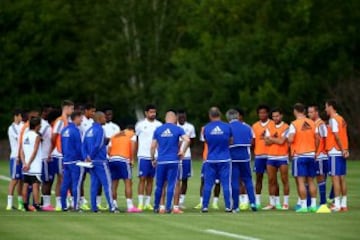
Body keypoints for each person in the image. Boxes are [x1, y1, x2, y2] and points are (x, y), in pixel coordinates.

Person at [151, 110, 190, 214]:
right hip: (174, 160)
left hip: (161, 161)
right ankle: (172, 207)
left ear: (165, 118)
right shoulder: (178, 129)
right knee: (173, 184)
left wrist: (152, 158)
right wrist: (182, 151)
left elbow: (152, 146)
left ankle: (161, 207)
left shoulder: (158, 129)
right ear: (175, 119)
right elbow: (187, 140)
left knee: (160, 185)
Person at [82, 111, 117, 213]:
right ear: (99, 118)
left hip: (91, 162)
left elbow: (83, 145)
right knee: (107, 184)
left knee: (94, 184)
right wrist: (91, 156)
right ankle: (112, 207)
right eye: (104, 118)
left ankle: (94, 207)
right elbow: (99, 144)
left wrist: (86, 157)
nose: (105, 119)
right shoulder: (100, 129)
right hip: (100, 161)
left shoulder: (88, 130)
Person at [202, 107, 233, 213]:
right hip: (224, 158)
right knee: (226, 183)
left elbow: (206, 141)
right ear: (220, 114)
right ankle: (228, 206)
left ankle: (205, 206)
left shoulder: (206, 128)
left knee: (208, 184)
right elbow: (231, 141)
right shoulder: (227, 127)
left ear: (210, 116)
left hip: (211, 159)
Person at [288, 103, 317, 213]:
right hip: (311, 154)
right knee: (311, 181)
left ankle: (304, 205)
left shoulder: (294, 124)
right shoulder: (312, 123)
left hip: (299, 155)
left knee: (301, 181)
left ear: (295, 111)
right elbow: (317, 138)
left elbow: (290, 139)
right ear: (304, 111)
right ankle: (313, 205)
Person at [226, 109, 257, 212]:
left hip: (232, 157)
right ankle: (253, 203)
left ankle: (236, 206)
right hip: (245, 157)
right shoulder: (247, 127)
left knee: (234, 181)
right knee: (248, 179)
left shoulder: (227, 127)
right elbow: (252, 140)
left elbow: (226, 142)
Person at [133, 104, 162, 210]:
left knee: (151, 179)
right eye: (151, 112)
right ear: (146, 113)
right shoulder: (140, 125)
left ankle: (148, 202)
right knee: (142, 179)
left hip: (155, 156)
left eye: (154, 112)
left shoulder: (159, 125)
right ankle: (140, 203)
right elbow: (135, 140)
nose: (153, 114)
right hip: (143, 155)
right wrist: (134, 155)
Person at [108, 125, 141, 213]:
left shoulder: (114, 135)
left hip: (112, 159)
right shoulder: (132, 134)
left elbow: (109, 149)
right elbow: (133, 145)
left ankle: (114, 204)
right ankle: (130, 206)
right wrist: (133, 159)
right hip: (123, 159)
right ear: (133, 130)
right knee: (128, 182)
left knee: (114, 183)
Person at [325, 100, 349, 212]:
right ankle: (343, 204)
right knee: (342, 178)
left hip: (335, 151)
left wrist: (342, 149)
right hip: (341, 151)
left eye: (326, 107)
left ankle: (337, 205)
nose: (325, 109)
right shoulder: (341, 119)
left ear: (331, 107)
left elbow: (337, 136)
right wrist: (345, 149)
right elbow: (344, 135)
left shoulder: (333, 119)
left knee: (335, 178)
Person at [263, 108, 290, 210]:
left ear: (281, 116)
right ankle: (272, 203)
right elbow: (266, 142)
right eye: (273, 116)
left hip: (282, 157)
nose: (275, 118)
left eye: (277, 116)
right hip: (271, 157)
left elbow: (282, 141)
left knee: (284, 180)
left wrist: (271, 139)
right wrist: (275, 140)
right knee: (271, 180)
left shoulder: (286, 126)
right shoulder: (269, 126)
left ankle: (286, 203)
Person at [50, 100, 74, 211]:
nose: (73, 111)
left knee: (67, 178)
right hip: (60, 154)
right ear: (66, 108)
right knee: (61, 179)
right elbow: (54, 136)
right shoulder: (60, 121)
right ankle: (59, 203)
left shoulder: (69, 120)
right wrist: (57, 148)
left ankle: (67, 201)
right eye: (72, 108)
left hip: (67, 154)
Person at [252, 105, 276, 209]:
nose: (262, 114)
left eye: (264, 112)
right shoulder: (255, 126)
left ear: (268, 113)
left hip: (271, 155)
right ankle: (257, 201)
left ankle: (275, 202)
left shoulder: (272, 124)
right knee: (258, 178)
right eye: (260, 113)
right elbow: (253, 141)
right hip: (259, 155)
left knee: (273, 179)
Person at [60, 111, 84, 211]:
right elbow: (79, 147)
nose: (82, 120)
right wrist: (83, 158)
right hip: (75, 161)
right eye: (81, 118)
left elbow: (61, 145)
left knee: (65, 184)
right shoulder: (76, 130)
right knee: (76, 184)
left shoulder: (64, 130)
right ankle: (76, 206)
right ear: (76, 118)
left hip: (66, 160)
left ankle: (63, 205)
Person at [194, 126, 221, 210]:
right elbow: (203, 141)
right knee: (203, 180)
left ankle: (215, 202)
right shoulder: (206, 129)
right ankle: (202, 202)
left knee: (217, 182)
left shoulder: (222, 129)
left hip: (218, 159)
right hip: (207, 159)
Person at [20, 117, 42, 211]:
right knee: (35, 185)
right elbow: (35, 151)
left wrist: (24, 163)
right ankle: (36, 205)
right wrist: (29, 163)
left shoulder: (25, 135)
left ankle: (25, 205)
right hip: (34, 165)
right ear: (37, 126)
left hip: (25, 165)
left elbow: (21, 150)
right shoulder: (36, 136)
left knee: (25, 184)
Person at [308, 105, 329, 206]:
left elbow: (325, 139)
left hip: (320, 155)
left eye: (311, 112)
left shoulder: (320, 124)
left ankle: (323, 202)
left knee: (320, 178)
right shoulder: (311, 124)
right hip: (314, 155)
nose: (310, 114)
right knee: (312, 178)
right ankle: (310, 202)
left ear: (316, 112)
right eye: (309, 112)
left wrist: (320, 152)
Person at [175, 110, 196, 209]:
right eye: (180, 117)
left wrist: (184, 148)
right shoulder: (174, 127)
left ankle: (181, 201)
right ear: (177, 117)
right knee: (175, 179)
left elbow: (192, 141)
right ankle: (174, 200)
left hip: (186, 157)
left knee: (184, 179)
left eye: (184, 117)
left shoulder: (190, 127)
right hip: (175, 157)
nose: (182, 118)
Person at [6, 109, 24, 210]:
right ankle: (9, 204)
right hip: (15, 156)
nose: (22, 118)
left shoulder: (23, 125)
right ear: (16, 116)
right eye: (21, 116)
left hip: (23, 157)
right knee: (14, 180)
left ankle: (20, 203)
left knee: (21, 180)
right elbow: (19, 139)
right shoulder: (11, 128)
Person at [79, 103, 96, 210]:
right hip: (82, 153)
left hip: (92, 153)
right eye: (91, 111)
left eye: (94, 111)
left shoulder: (93, 122)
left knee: (94, 177)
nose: (93, 113)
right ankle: (80, 200)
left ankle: (95, 201)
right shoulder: (80, 121)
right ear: (86, 111)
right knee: (81, 177)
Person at [39, 105, 55, 211]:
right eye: (49, 112)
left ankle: (46, 203)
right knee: (46, 180)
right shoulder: (44, 125)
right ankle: (45, 204)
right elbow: (37, 137)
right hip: (44, 157)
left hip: (49, 157)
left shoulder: (48, 125)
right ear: (44, 113)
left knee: (50, 180)